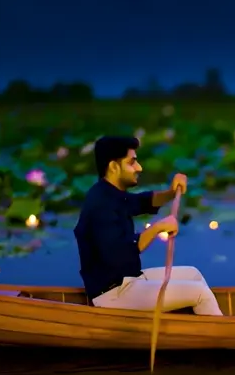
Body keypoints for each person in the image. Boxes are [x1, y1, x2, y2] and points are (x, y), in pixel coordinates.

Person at [74, 135, 223, 315]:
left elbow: (143, 202)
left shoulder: (111, 193)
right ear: (114, 166)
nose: (139, 168)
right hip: (113, 293)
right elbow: (121, 252)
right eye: (132, 163)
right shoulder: (100, 205)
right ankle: (222, 338)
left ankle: (197, 329)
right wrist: (157, 227)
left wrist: (170, 192)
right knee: (199, 293)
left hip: (129, 280)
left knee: (193, 274)